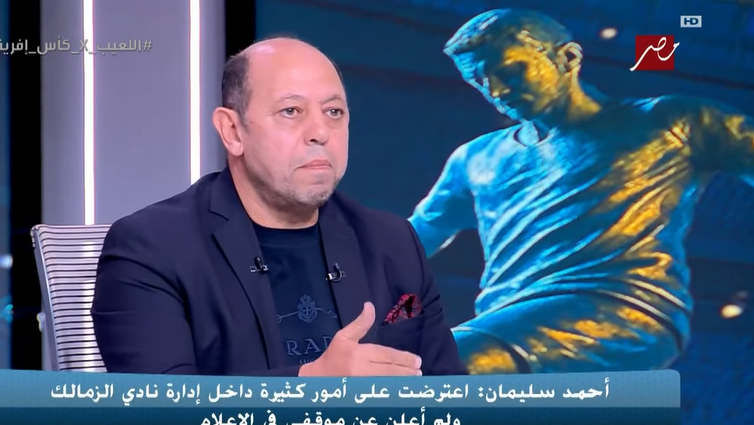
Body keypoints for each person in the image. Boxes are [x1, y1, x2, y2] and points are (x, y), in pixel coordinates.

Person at [92, 37, 465, 376]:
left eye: (334, 112)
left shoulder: (393, 242)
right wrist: (312, 384)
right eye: (291, 111)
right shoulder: (151, 247)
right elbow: (160, 406)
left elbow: (452, 397)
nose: (320, 132)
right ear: (232, 132)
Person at [408, 9, 754, 374]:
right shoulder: (476, 158)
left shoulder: (670, 122)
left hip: (621, 310)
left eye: (510, 71)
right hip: (508, 320)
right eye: (480, 81)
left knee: (437, 366)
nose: (496, 91)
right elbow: (421, 231)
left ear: (568, 58)